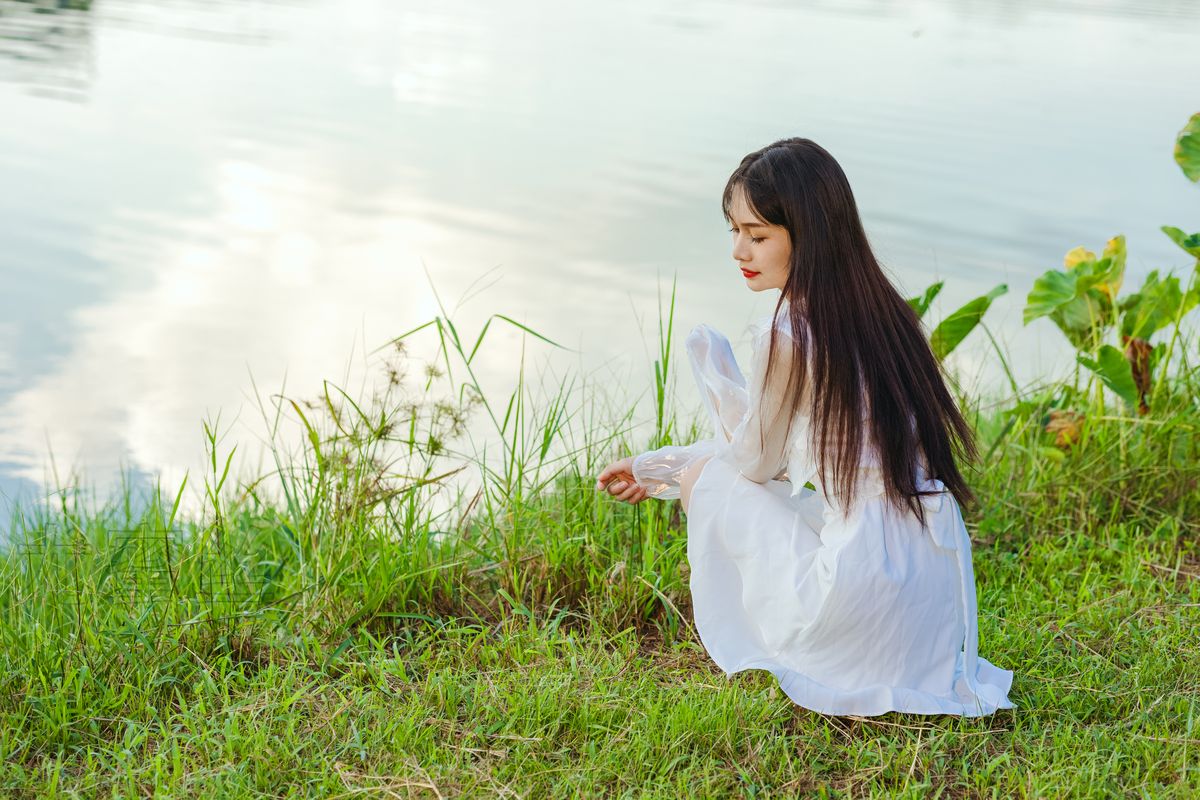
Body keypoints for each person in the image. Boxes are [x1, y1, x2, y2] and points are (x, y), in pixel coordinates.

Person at [595, 137, 1016, 717]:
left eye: (758, 235)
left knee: (704, 482)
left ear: (808, 233)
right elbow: (792, 461)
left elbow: (753, 466)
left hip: (860, 593)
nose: (739, 250)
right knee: (724, 481)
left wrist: (681, 450)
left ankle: (798, 644)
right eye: (734, 230)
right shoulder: (882, 311)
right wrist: (656, 469)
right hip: (926, 597)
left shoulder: (790, 332)